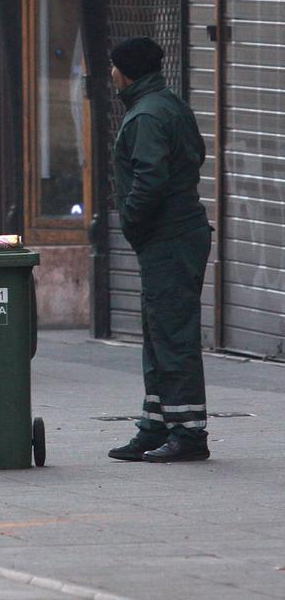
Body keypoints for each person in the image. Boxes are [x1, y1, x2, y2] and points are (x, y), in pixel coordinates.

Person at [106, 37, 212, 463]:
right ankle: (156, 423)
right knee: (159, 332)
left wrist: (131, 221)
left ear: (125, 71)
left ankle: (188, 433)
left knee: (172, 334)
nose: (110, 73)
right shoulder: (167, 104)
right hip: (174, 235)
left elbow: (150, 179)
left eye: (113, 66)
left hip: (169, 237)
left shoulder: (147, 115)